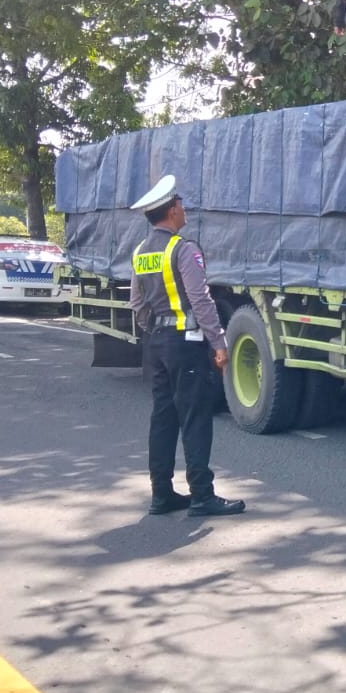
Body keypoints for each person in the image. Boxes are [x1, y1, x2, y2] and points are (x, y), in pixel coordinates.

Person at [129, 175, 245, 519]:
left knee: (163, 418)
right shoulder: (183, 249)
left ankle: (162, 494)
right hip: (185, 343)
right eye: (180, 204)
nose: (184, 209)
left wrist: (155, 331)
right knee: (195, 418)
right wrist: (219, 342)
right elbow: (200, 299)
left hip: (157, 343)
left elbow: (137, 303)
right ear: (172, 211)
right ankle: (202, 495)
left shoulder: (141, 251)